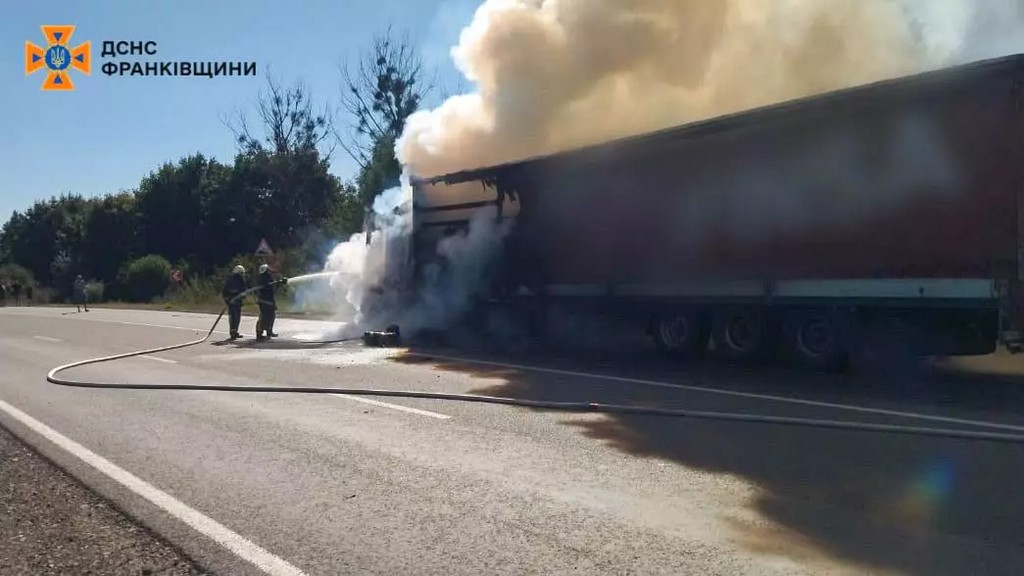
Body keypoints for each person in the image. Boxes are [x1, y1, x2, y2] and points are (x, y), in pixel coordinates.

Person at [255, 264, 288, 341]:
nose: (270, 270)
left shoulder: (268, 277)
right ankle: (259, 334)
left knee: (271, 316)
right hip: (264, 300)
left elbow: (272, 286)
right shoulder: (263, 278)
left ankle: (269, 331)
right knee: (263, 317)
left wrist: (280, 282)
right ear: (265, 270)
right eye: (268, 269)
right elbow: (267, 286)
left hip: (269, 300)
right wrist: (279, 282)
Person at [221, 265, 248, 340]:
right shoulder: (237, 280)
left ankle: (234, 332)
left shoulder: (231, 280)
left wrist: (227, 300)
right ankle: (233, 332)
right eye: (241, 273)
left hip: (235, 302)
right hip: (234, 302)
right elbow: (226, 291)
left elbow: (224, 292)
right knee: (234, 317)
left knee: (235, 317)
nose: (242, 275)